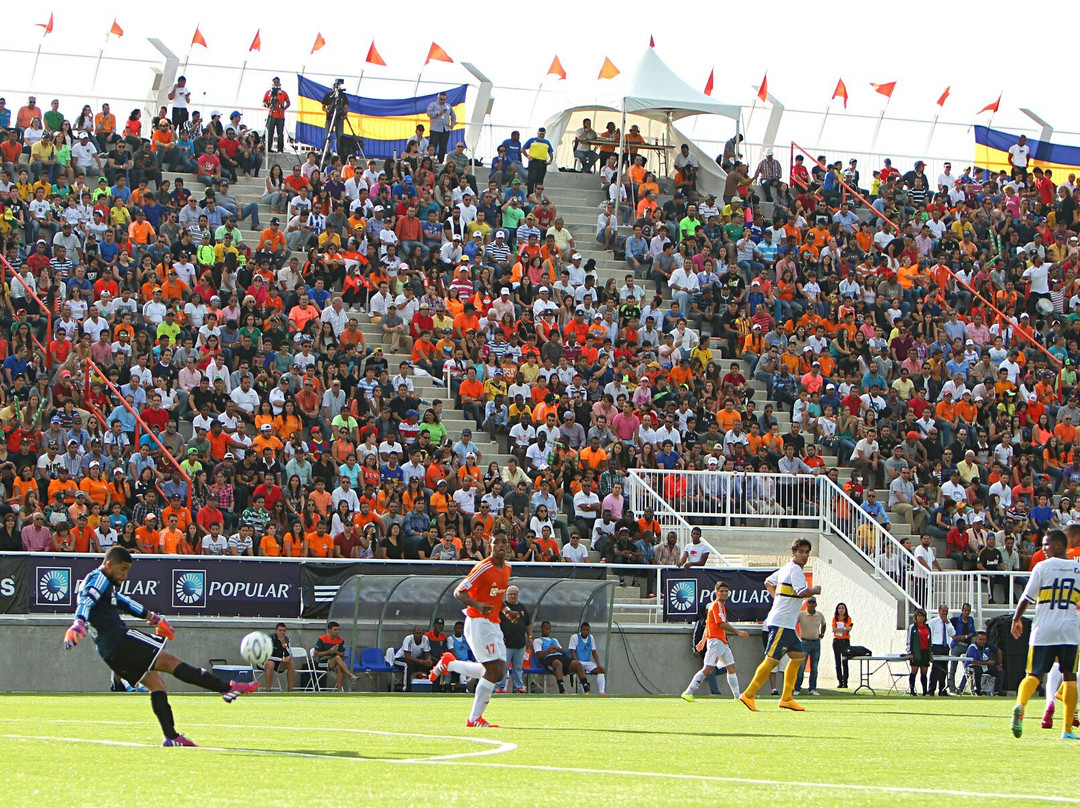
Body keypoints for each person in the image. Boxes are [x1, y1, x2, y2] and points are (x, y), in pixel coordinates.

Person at [61, 546, 258, 747]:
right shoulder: (98, 579)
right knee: (172, 663)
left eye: (128, 570)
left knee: (156, 684)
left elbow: (123, 602)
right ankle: (226, 688)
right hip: (121, 640)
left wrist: (153, 618)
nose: (125, 575)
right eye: (123, 569)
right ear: (109, 564)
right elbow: (87, 599)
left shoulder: (104, 584)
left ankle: (171, 737)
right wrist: (78, 622)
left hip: (109, 652)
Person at [428, 531, 511, 727]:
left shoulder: (507, 568)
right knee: (492, 670)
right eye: (496, 542)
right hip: (478, 621)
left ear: (508, 546)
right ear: (489, 546)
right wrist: (477, 604)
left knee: (498, 672)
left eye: (504, 542)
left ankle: (450, 664)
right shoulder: (483, 568)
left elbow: (497, 596)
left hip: (494, 622)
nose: (500, 545)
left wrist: (506, 610)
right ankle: (474, 719)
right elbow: (459, 592)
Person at [1010, 530, 1080, 740]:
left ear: (1059, 545)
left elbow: (1026, 598)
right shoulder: (1077, 569)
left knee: (1033, 675)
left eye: (1046, 545)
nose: (1043, 550)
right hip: (1069, 630)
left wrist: (1016, 619)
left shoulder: (1041, 567)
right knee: (1070, 676)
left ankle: (1020, 706)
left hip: (1043, 630)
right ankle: (1067, 729)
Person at [738, 538, 821, 712]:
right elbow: (803, 592)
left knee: (798, 657)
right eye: (801, 552)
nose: (805, 555)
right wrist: (814, 590)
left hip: (787, 624)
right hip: (782, 623)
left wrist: (777, 598)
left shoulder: (785, 569)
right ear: (794, 552)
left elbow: (768, 581)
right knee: (771, 660)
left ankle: (787, 698)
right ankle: (749, 694)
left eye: (807, 552)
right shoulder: (795, 570)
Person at [681, 580, 749, 701]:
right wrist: (739, 632)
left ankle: (737, 696)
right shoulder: (716, 605)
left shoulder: (721, 606)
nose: (724, 593)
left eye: (726, 591)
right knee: (708, 668)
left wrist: (702, 641)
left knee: (731, 667)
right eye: (721, 591)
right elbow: (721, 624)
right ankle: (688, 692)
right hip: (716, 641)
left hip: (721, 641)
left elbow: (709, 626)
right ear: (716, 593)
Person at [531, 620, 585, 695]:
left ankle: (586, 688)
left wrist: (557, 649)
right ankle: (562, 689)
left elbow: (563, 651)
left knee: (577, 664)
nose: (547, 631)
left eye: (549, 629)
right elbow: (539, 655)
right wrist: (549, 650)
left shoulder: (554, 640)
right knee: (558, 663)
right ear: (541, 629)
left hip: (559, 656)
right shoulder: (538, 641)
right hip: (548, 658)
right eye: (545, 629)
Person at [496, 585, 532, 694]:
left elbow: (528, 624)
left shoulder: (522, 608)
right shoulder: (502, 608)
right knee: (503, 667)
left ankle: (518, 687)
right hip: (506, 643)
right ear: (507, 595)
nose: (512, 596)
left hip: (520, 643)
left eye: (514, 594)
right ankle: (499, 686)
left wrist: (530, 637)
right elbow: (495, 623)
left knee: (518, 667)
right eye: (510, 594)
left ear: (518, 595)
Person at [794, 596, 826, 696]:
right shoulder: (801, 615)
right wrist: (796, 637)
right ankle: (797, 688)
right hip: (804, 642)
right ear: (807, 604)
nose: (811, 604)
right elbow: (793, 624)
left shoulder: (819, 615)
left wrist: (822, 634)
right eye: (810, 602)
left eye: (813, 603)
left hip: (816, 642)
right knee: (801, 667)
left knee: (814, 667)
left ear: (815, 604)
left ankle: (812, 688)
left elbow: (824, 624)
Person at [312, 620, 356, 691]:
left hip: (334, 661)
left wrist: (336, 652)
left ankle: (339, 689)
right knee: (338, 658)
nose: (337, 631)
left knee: (339, 666)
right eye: (335, 630)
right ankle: (350, 675)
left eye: (338, 630)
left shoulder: (340, 640)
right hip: (323, 662)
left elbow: (343, 653)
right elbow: (316, 653)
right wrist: (329, 651)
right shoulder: (322, 639)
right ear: (329, 630)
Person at [568, 622, 607, 695]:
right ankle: (583, 692)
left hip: (587, 662)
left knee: (600, 671)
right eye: (583, 630)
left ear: (589, 631)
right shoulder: (574, 637)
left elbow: (594, 652)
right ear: (580, 630)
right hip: (578, 662)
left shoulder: (591, 638)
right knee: (580, 670)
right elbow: (572, 651)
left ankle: (601, 692)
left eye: (587, 630)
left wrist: (598, 664)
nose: (585, 632)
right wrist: (576, 662)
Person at [394, 625, 433, 691]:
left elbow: (428, 654)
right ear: (413, 633)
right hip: (400, 659)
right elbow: (407, 656)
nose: (418, 635)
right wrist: (422, 662)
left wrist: (428, 660)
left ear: (423, 634)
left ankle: (431, 688)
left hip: (414, 660)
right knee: (408, 665)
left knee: (432, 664)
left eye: (420, 633)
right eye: (416, 633)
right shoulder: (408, 639)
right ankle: (406, 689)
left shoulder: (425, 639)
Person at [906, 607, 932, 696]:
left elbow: (929, 641)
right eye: (919, 616)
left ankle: (925, 691)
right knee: (914, 671)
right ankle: (912, 690)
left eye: (923, 616)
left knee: (924, 672)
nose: (921, 618)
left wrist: (930, 653)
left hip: (925, 652)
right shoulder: (913, 627)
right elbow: (909, 640)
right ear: (916, 617)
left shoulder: (927, 627)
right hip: (916, 652)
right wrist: (910, 652)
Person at [265, 622, 295, 692]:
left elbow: (290, 653)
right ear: (276, 631)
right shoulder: (270, 639)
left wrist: (283, 643)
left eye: (284, 631)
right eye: (280, 630)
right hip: (268, 661)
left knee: (291, 663)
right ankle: (268, 690)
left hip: (280, 663)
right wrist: (281, 659)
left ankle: (291, 689)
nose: (282, 632)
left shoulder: (287, 640)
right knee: (270, 663)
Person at [831, 603, 852, 689]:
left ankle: (845, 682)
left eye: (843, 608)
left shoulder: (848, 618)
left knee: (845, 662)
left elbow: (848, 629)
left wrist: (841, 629)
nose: (841, 610)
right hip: (837, 641)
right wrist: (844, 629)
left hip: (845, 641)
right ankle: (840, 681)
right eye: (839, 608)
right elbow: (834, 630)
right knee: (837, 663)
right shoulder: (835, 619)